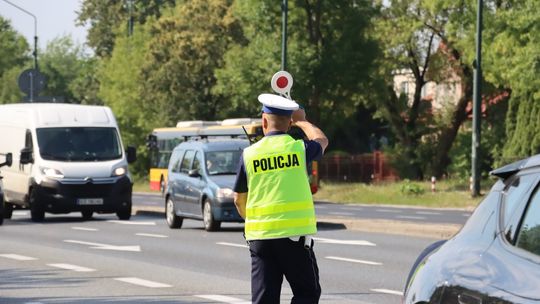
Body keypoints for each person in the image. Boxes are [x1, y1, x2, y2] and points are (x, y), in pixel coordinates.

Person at [233, 93, 328, 304]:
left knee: (264, 299)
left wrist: (255, 220)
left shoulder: (249, 154)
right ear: (289, 123)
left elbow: (238, 200)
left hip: (260, 239)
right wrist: (302, 121)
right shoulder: (298, 148)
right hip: (293, 239)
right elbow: (322, 140)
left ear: (264, 121)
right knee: (307, 295)